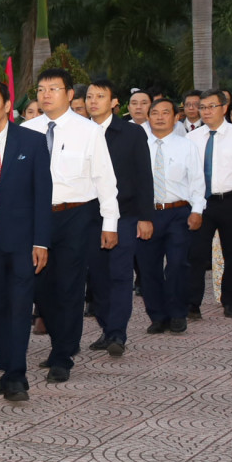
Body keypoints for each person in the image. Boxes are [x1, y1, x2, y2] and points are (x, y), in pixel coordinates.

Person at [23, 68, 118, 384]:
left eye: (53, 89)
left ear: (68, 94)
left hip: (77, 215)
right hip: (37, 217)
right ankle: (58, 342)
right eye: (41, 89)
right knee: (41, 286)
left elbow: (105, 179)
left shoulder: (88, 131)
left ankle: (63, 355)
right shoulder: (27, 129)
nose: (46, 94)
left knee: (69, 285)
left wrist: (110, 223)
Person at [0, 81, 50, 401]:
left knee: (19, 307)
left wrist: (41, 242)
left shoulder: (31, 141)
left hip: (22, 242)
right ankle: (7, 369)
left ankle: (17, 376)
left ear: (7, 105)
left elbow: (43, 194)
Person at [82, 80, 152, 357]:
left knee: (120, 275)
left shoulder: (131, 133)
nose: (93, 101)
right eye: (89, 96)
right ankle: (106, 327)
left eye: (100, 96)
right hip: (88, 215)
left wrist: (145, 217)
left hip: (125, 214)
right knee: (96, 277)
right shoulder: (80, 132)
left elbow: (144, 176)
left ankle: (117, 333)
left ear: (114, 102)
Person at [185, 88, 232, 320]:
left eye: (211, 107)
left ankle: (231, 301)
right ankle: (192, 304)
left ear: (224, 108)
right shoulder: (191, 138)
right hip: (202, 203)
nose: (206, 112)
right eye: (202, 107)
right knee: (196, 254)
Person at [137, 95, 201, 334]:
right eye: (155, 113)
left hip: (178, 212)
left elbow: (197, 181)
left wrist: (197, 210)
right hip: (147, 214)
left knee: (177, 264)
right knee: (148, 267)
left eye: (166, 113)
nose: (160, 117)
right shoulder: (139, 145)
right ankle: (157, 315)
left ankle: (177, 313)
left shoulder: (187, 146)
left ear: (176, 118)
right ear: (148, 117)